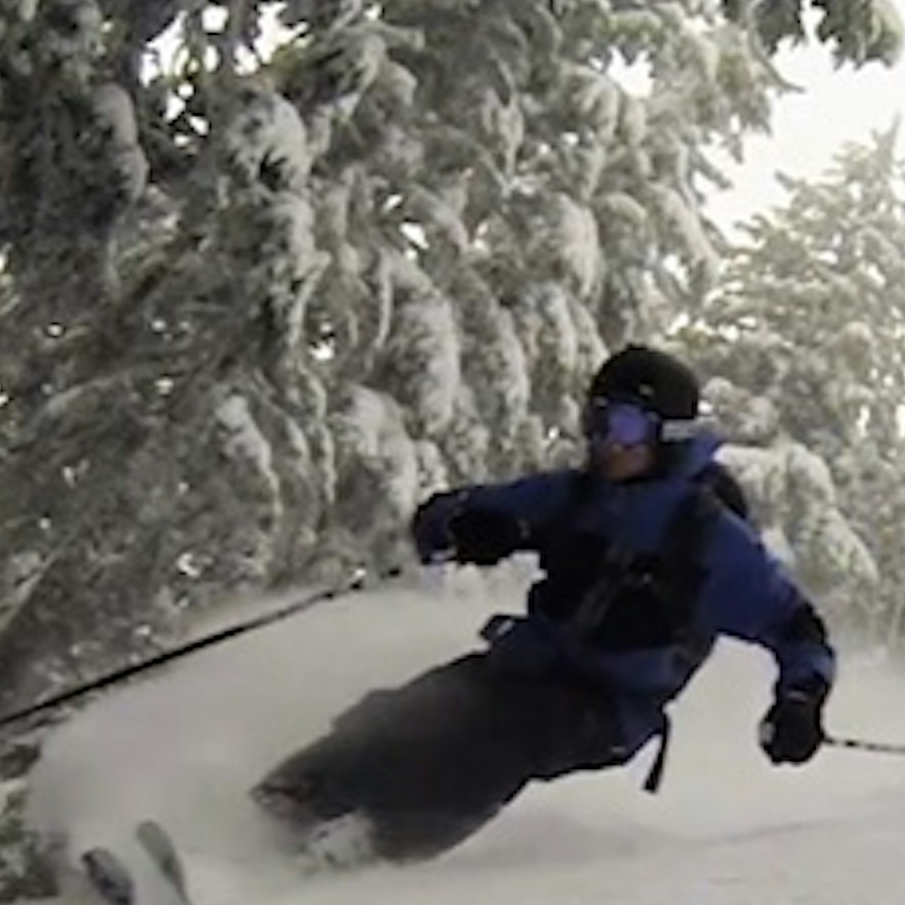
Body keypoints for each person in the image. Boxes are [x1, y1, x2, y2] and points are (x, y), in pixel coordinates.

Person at [251, 344, 835, 862]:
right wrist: (472, 528)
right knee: (411, 713)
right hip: (526, 664)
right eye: (597, 421)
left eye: (625, 426)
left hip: (609, 705)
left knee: (501, 737)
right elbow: (440, 517)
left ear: (668, 437)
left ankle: (372, 846)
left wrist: (799, 700)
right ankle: (273, 811)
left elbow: (797, 628)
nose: (606, 442)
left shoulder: (706, 537)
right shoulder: (578, 495)